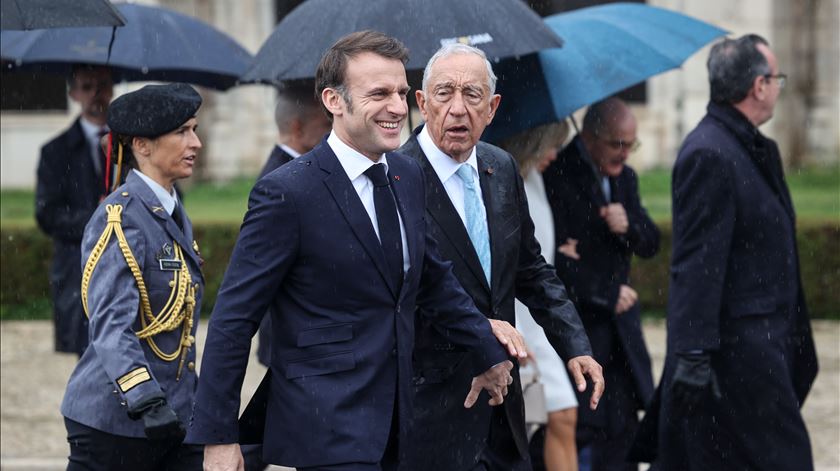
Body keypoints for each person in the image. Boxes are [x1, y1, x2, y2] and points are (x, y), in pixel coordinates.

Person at [189, 31, 517, 471]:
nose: (399, 108)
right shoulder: (288, 193)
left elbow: (435, 280)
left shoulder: (407, 175)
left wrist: (486, 350)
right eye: (379, 94)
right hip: (325, 430)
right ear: (333, 101)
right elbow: (233, 319)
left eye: (402, 92)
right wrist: (219, 436)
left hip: (402, 425)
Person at [399, 44, 603, 471]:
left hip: (503, 410)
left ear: (491, 108)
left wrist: (574, 343)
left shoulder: (501, 168)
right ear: (421, 103)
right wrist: (478, 339)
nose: (457, 109)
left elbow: (530, 269)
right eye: (444, 93)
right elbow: (401, 293)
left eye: (472, 95)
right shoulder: (395, 177)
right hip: (432, 406)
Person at [654, 33, 818, 470]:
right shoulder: (709, 152)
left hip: (762, 350)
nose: (779, 88)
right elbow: (696, 264)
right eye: (777, 78)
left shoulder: (748, 146)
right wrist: (691, 353)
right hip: (738, 357)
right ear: (758, 86)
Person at [60, 83, 205, 470]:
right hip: (117, 421)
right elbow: (109, 324)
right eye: (182, 132)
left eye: (194, 129)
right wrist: (144, 397)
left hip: (170, 415)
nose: (196, 143)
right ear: (142, 145)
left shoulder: (169, 211)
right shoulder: (122, 219)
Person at [542, 97, 658, 470]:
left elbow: (651, 242)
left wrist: (629, 226)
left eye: (631, 145)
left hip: (622, 337)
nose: (624, 154)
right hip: (580, 331)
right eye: (617, 144)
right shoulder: (555, 172)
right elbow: (548, 260)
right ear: (590, 137)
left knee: (624, 434)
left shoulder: (626, 178)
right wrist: (604, 292)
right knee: (579, 431)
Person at [500, 121, 580, 471]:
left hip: (537, 321)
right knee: (529, 423)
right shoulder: (504, 177)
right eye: (547, 145)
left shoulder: (535, 178)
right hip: (515, 319)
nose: (553, 155)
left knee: (562, 413)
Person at [35, 64, 114, 357]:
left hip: (126, 267)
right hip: (79, 269)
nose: (96, 93)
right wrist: (97, 218)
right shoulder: (55, 152)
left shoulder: (133, 147)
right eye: (87, 86)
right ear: (74, 93)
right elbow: (47, 213)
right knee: (89, 356)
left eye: (103, 85)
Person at [256, 84, 331, 367]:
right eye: (325, 124)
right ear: (298, 128)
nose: (332, 131)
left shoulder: (296, 171)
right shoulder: (280, 181)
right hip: (291, 335)